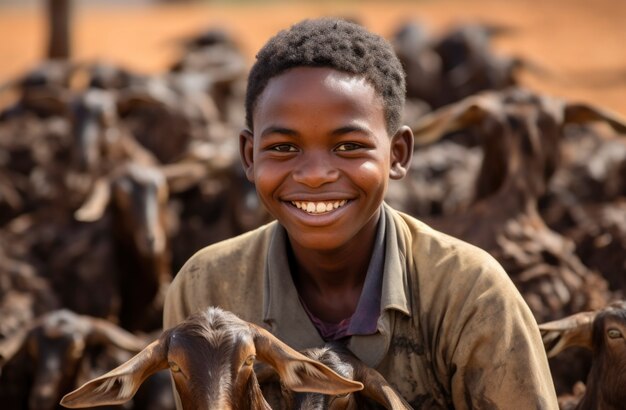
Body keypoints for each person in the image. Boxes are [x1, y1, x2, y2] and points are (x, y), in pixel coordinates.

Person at [164, 17, 558, 408]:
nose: (316, 175)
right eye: (284, 148)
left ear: (398, 155)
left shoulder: (471, 294)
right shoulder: (207, 287)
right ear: (249, 157)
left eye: (349, 146)